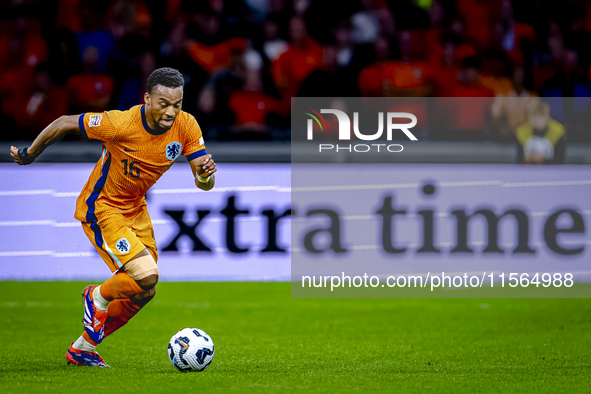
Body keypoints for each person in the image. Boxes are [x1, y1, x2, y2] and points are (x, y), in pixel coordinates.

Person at [9, 67, 217, 367]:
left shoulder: (187, 126)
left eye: (177, 104)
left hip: (136, 210)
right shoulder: (120, 123)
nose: (171, 111)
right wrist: (31, 153)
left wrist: (208, 175)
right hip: (103, 207)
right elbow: (67, 122)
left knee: (145, 290)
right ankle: (97, 296)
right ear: (148, 98)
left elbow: (203, 180)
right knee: (147, 275)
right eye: (164, 103)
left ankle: (83, 348)